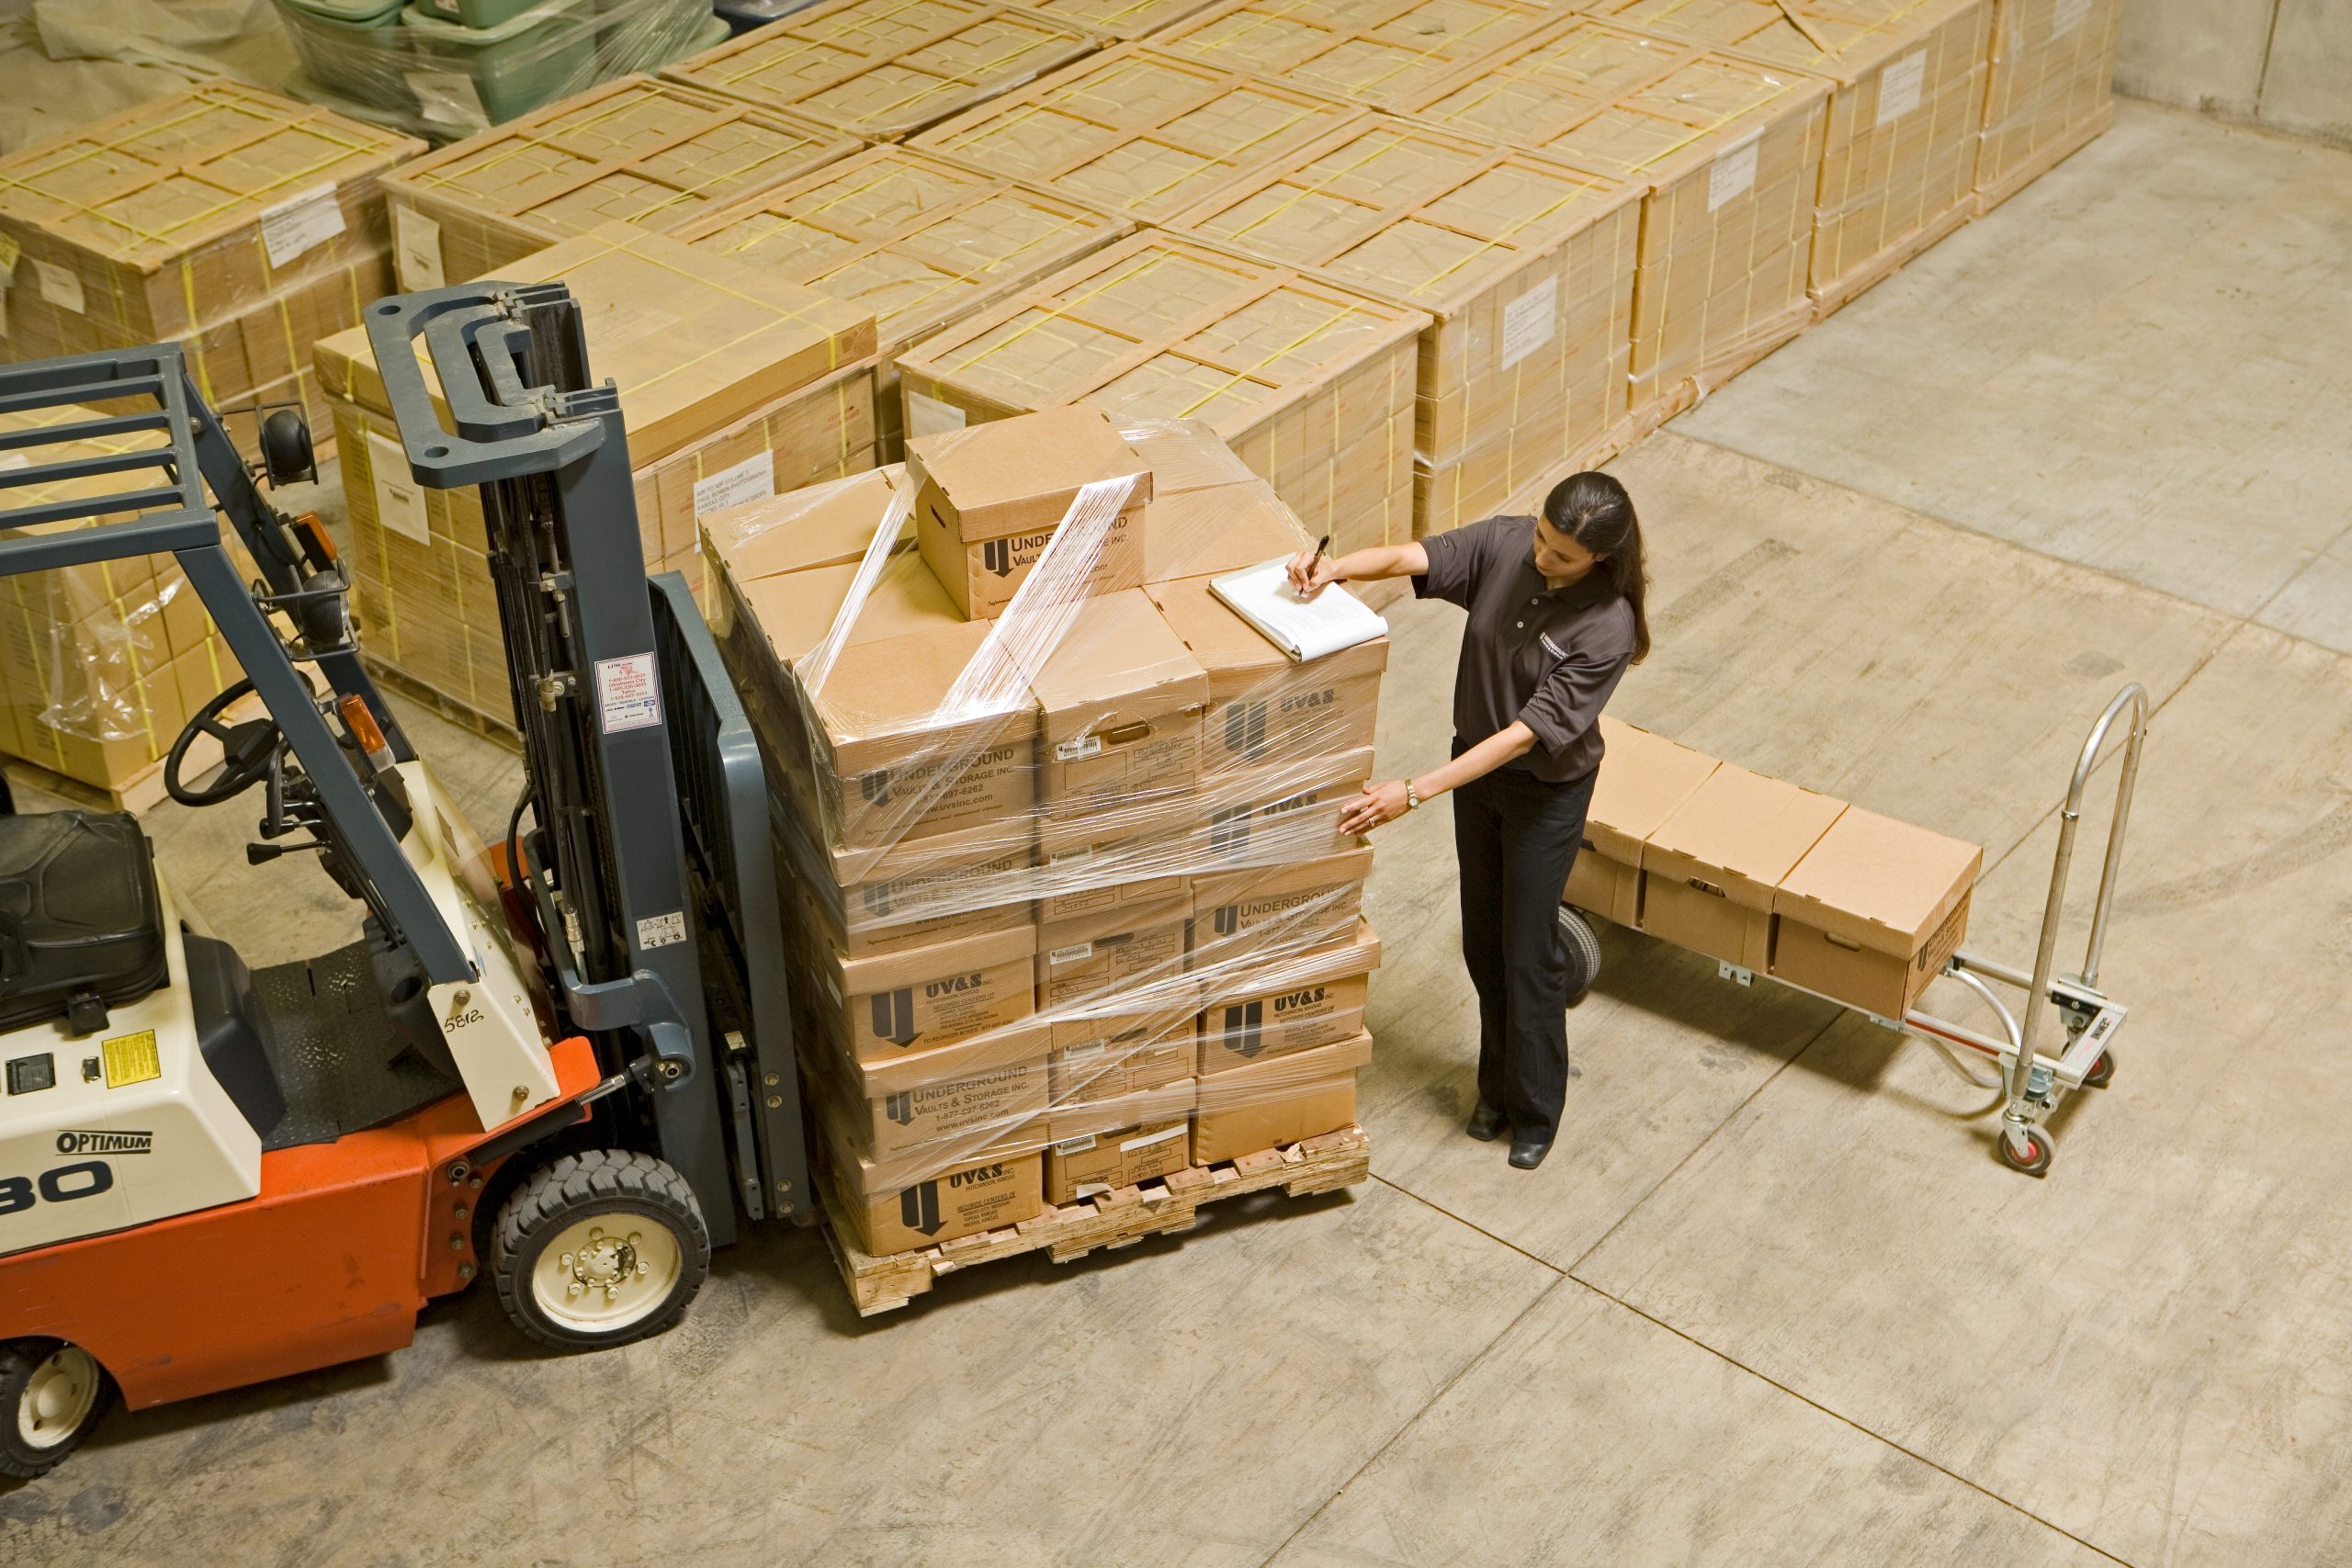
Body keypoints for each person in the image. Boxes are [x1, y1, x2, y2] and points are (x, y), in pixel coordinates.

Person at [1288, 473, 1650, 1169]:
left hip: (1545, 790)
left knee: (1527, 947)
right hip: (1474, 774)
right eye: (1543, 537)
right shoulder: (1509, 541)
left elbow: (1523, 734)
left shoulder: (1607, 625)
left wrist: (1413, 791)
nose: (1541, 556)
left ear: (1601, 561)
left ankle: (1537, 1107)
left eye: (1562, 556)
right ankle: (1496, 1091)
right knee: (1484, 939)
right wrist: (1335, 568)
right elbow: (1412, 557)